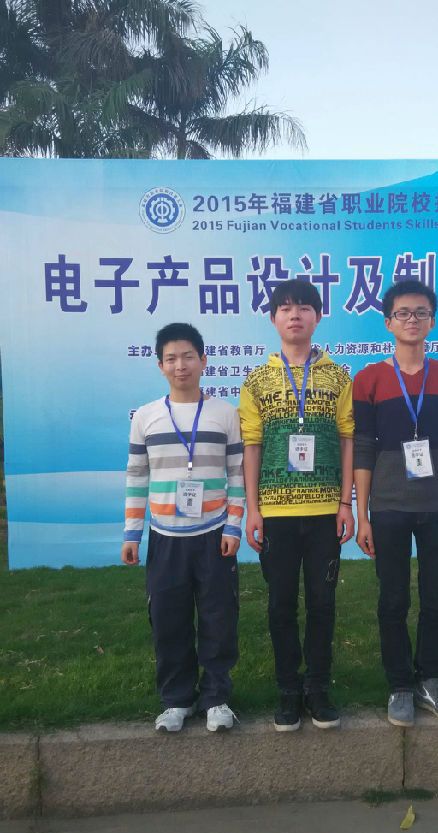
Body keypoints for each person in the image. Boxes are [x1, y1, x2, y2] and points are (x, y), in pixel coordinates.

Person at [353, 279, 438, 727]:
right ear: (388, 322)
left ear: (432, 321)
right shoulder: (368, 379)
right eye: (403, 313)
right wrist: (363, 515)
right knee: (392, 599)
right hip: (388, 506)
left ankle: (430, 681)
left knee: (436, 598)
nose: (412, 319)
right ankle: (399, 686)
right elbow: (363, 448)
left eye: (421, 312)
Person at [239, 279, 354, 732]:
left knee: (323, 604)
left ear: (317, 317)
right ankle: (289, 690)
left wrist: (346, 503)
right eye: (285, 308)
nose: (295, 315)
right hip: (276, 514)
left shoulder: (338, 376)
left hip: (325, 512)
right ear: (273, 319)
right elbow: (251, 446)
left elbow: (347, 440)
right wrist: (253, 509)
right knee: (281, 605)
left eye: (304, 307)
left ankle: (319, 689)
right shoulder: (257, 380)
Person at [121, 323, 245, 734]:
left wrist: (233, 526)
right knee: (168, 619)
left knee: (218, 617)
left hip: (214, 535)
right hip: (165, 538)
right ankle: (176, 700)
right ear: (160, 365)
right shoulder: (146, 417)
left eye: (188, 356)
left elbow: (237, 473)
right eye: (171, 358)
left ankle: (216, 698)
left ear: (204, 360)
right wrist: (132, 533)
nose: (181, 365)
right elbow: (137, 476)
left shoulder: (225, 414)